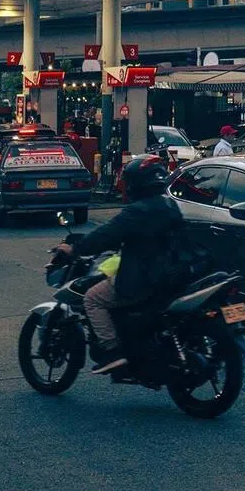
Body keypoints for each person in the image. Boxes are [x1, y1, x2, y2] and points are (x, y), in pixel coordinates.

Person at [54, 154, 186, 373]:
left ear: (136, 183)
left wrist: (75, 249)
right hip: (170, 274)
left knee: (93, 298)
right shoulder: (169, 205)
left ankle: (112, 351)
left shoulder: (137, 211)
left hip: (144, 277)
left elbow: (106, 234)